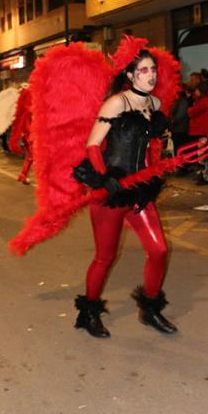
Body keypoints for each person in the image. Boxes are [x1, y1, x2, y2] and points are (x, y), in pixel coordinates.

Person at [72, 49, 174, 338]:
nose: (151, 74)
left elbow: (151, 147)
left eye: (152, 69)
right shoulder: (117, 102)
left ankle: (150, 309)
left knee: (159, 250)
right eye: (143, 70)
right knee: (105, 257)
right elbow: (93, 145)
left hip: (140, 189)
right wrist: (107, 180)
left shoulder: (155, 103)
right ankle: (89, 313)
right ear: (129, 75)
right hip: (112, 191)